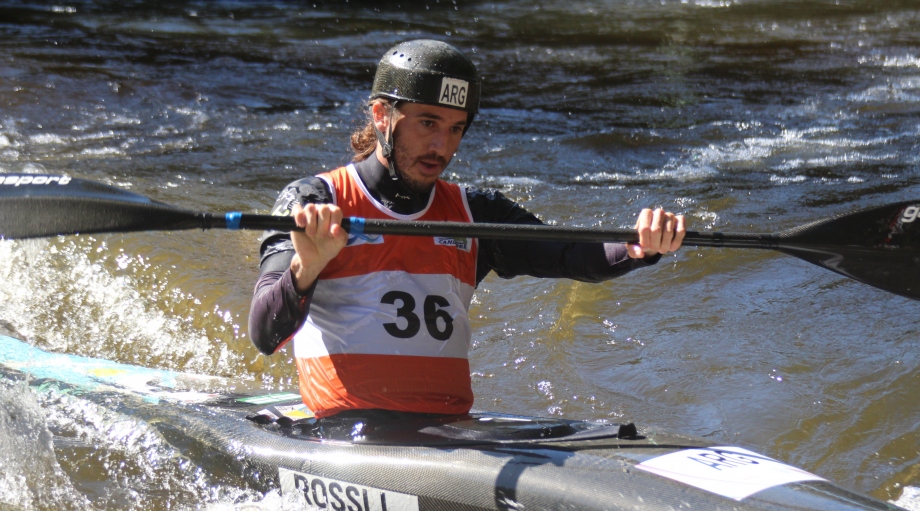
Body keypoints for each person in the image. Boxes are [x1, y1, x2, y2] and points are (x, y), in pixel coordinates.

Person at [249, 39, 685, 420]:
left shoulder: (475, 212)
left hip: (448, 431)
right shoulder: (315, 200)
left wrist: (638, 246)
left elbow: (571, 253)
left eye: (456, 129)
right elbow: (264, 333)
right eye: (428, 123)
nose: (442, 146)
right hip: (346, 429)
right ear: (382, 116)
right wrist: (307, 268)